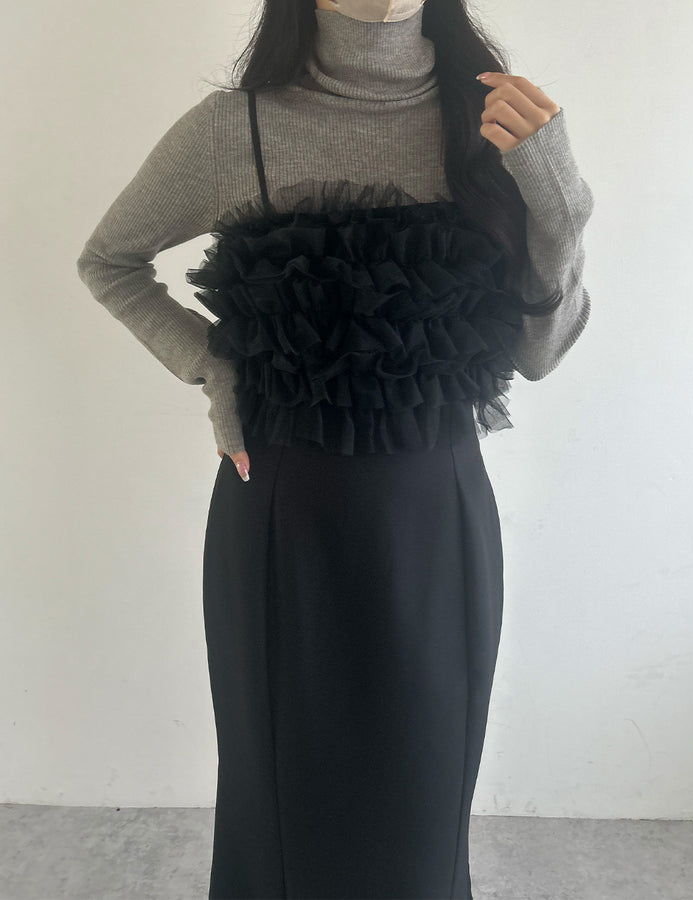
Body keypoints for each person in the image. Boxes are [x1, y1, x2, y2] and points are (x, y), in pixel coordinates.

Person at [76, 0, 594, 897]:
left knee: (425, 796)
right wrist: (215, 367)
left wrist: (562, 203)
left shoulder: (496, 126)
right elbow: (109, 261)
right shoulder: (236, 128)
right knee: (286, 805)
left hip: (438, 515)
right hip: (285, 511)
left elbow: (537, 356)